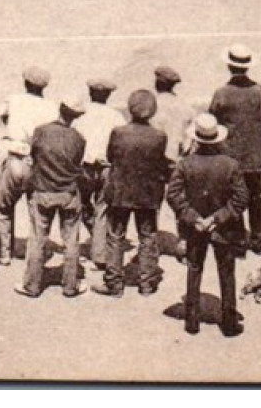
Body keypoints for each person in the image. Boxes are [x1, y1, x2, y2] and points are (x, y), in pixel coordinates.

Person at [168, 114, 248, 336]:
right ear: (217, 139)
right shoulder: (230, 165)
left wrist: (194, 218)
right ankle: (230, 323)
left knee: (194, 269)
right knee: (227, 272)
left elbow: (173, 195)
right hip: (224, 228)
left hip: (195, 228)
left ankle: (192, 321)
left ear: (196, 139)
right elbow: (241, 199)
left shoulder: (185, 164)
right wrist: (217, 218)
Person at [98, 90, 169, 297]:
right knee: (147, 237)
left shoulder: (119, 133)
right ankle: (146, 284)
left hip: (120, 192)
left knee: (115, 236)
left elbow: (110, 156)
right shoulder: (159, 136)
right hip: (148, 194)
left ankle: (114, 284)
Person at [15, 96, 88, 298]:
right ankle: (70, 285)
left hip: (43, 191)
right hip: (68, 193)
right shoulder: (78, 138)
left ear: (60, 108)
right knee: (71, 240)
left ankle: (31, 285)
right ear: (77, 116)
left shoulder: (41, 132)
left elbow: (33, 157)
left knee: (38, 238)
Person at [208, 45, 261, 254]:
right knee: (256, 198)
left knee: (233, 199)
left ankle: (237, 243)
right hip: (256, 155)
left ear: (229, 66)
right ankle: (260, 241)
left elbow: (213, 123)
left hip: (230, 155)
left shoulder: (221, 93)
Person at [0, 65, 58, 268]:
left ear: (25, 82)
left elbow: (4, 118)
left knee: (4, 207)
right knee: (36, 213)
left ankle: (3, 253)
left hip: (15, 158)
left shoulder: (14, 100)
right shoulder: (51, 106)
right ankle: (35, 256)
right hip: (38, 163)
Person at [75, 78, 123, 270]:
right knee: (102, 208)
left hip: (84, 166)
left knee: (80, 205)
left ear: (90, 92)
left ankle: (81, 249)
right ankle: (99, 254)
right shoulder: (116, 116)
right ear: (109, 95)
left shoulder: (81, 113)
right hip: (106, 166)